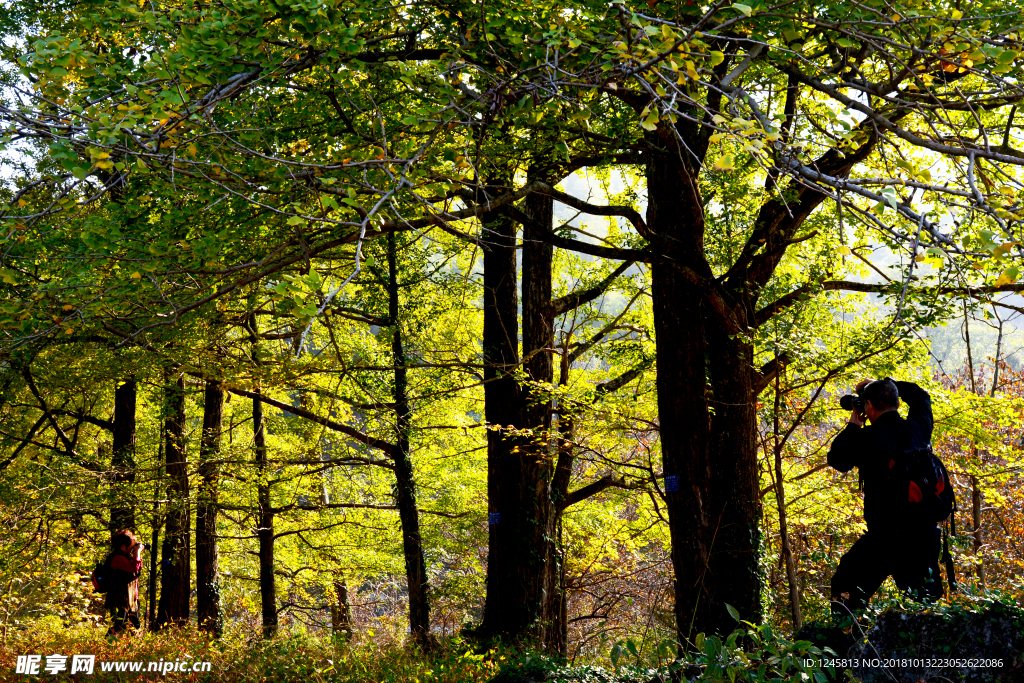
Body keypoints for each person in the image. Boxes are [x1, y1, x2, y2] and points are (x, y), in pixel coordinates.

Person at [827, 378, 943, 615]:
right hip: (924, 535)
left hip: (884, 538)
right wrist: (890, 384)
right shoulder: (919, 428)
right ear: (898, 402)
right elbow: (921, 396)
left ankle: (848, 645)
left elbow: (837, 460)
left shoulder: (867, 439)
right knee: (925, 606)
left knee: (846, 588)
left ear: (868, 406)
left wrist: (853, 425)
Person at [105, 529, 145, 637]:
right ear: (123, 546)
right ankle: (107, 647)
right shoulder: (117, 558)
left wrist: (137, 553)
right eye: (131, 547)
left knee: (135, 626)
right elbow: (134, 568)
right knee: (117, 626)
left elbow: (138, 569)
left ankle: (134, 650)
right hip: (119, 599)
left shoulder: (126, 557)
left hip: (130, 599)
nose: (132, 549)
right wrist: (137, 552)